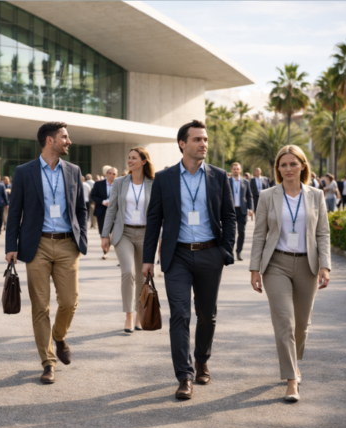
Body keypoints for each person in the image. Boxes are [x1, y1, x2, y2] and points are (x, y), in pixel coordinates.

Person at [142, 119, 236, 400]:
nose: (203, 144)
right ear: (182, 144)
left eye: (205, 139)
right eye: (197, 139)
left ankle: (202, 358)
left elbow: (229, 217)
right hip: (177, 255)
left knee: (207, 315)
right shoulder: (165, 177)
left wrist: (224, 252)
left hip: (210, 253)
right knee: (180, 315)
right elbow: (154, 219)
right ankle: (184, 376)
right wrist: (148, 258)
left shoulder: (219, 176)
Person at [5, 121, 87, 385]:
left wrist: (81, 238)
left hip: (66, 245)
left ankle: (59, 335)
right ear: (50, 140)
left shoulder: (74, 171)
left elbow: (81, 210)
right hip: (36, 245)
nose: (69, 141)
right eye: (65, 137)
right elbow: (15, 211)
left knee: (69, 301)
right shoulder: (24, 171)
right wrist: (11, 246)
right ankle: (48, 361)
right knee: (40, 307)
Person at [249, 145, 330, 402]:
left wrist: (325, 265)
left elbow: (323, 233)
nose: (287, 169)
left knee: (302, 326)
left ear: (303, 166)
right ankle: (291, 380)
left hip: (308, 265)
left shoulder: (316, 195)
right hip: (276, 264)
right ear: (278, 169)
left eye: (293, 164)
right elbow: (259, 234)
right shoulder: (267, 196)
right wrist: (254, 268)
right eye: (283, 165)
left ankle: (294, 362)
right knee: (284, 322)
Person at [101, 147, 155, 333]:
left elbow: (159, 214)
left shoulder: (153, 183)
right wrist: (104, 234)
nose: (130, 161)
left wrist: (161, 237)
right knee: (128, 272)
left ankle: (140, 315)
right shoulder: (120, 182)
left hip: (146, 234)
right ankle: (129, 315)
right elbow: (112, 209)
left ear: (143, 161)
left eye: (134, 158)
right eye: (129, 158)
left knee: (142, 277)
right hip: (123, 233)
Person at [90, 166, 118, 259]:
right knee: (103, 232)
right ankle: (105, 252)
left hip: (115, 212)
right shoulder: (99, 184)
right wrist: (102, 201)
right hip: (102, 211)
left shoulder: (118, 184)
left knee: (112, 231)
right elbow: (93, 196)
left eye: (114, 174)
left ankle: (109, 249)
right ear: (106, 174)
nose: (111, 175)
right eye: (109, 173)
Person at [229, 162, 254, 261]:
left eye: (237, 168)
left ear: (240, 170)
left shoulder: (246, 182)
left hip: (242, 210)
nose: (236, 170)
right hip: (230, 210)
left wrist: (250, 208)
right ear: (231, 170)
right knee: (230, 233)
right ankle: (229, 252)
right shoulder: (227, 181)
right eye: (234, 168)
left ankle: (239, 252)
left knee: (242, 232)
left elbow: (249, 196)